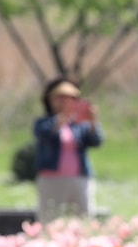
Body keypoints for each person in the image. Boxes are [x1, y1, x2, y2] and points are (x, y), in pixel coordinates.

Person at [33, 77, 102, 221]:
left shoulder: (79, 125)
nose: (65, 102)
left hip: (79, 177)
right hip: (51, 178)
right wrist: (62, 117)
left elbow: (95, 141)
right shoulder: (44, 122)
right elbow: (45, 134)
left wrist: (93, 121)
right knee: (50, 218)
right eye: (60, 98)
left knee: (84, 217)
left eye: (70, 98)